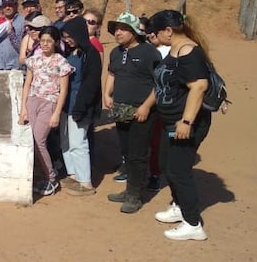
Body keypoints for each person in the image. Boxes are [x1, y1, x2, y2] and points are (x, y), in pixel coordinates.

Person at [147, 9, 212, 241]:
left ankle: (193, 224)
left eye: (156, 32)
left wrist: (186, 121)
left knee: (179, 170)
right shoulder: (175, 48)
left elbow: (199, 86)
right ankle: (179, 205)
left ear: (168, 30)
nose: (154, 36)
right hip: (170, 121)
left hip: (186, 123)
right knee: (166, 164)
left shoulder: (188, 51)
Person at [104, 12, 162, 214]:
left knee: (138, 154)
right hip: (121, 109)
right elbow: (112, 73)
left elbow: (159, 83)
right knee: (127, 152)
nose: (117, 33)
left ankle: (135, 196)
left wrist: (146, 106)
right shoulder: (116, 52)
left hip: (142, 111)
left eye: (123, 29)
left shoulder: (149, 53)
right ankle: (129, 189)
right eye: (116, 29)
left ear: (134, 32)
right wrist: (107, 93)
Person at [18, 26, 73, 196]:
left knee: (39, 140)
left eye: (49, 41)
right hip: (32, 101)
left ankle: (51, 178)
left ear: (56, 42)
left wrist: (56, 113)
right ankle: (40, 175)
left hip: (49, 103)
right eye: (42, 40)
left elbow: (63, 90)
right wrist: (23, 108)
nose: (45, 44)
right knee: (31, 140)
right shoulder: (34, 60)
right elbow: (27, 84)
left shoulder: (62, 62)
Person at [59, 17, 103, 196]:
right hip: (66, 104)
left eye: (69, 36)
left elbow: (91, 83)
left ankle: (85, 182)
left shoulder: (90, 54)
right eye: (65, 37)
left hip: (80, 105)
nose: (67, 40)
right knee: (66, 142)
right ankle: (74, 174)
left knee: (79, 143)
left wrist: (81, 106)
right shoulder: (71, 53)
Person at [140, 15, 169, 191]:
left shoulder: (169, 51)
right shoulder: (145, 49)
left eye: (152, 32)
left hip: (160, 104)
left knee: (157, 142)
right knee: (141, 140)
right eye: (146, 32)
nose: (149, 35)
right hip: (141, 100)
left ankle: (155, 174)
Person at [0, 0, 25, 70]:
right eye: (5, 5)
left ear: (16, 6)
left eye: (10, 5)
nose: (7, 8)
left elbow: (23, 49)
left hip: (15, 68)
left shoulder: (24, 22)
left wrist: (11, 33)